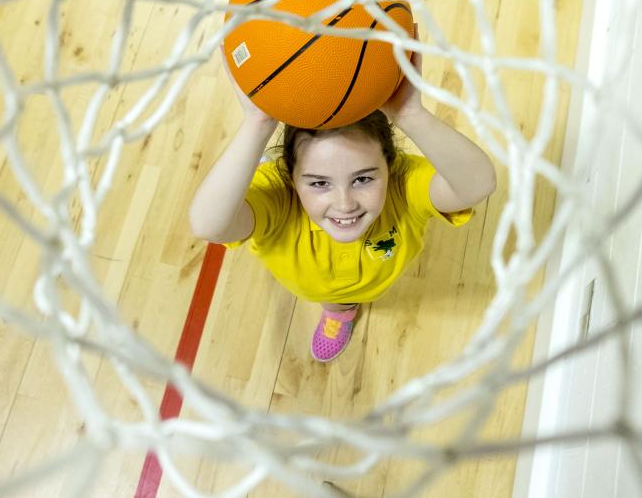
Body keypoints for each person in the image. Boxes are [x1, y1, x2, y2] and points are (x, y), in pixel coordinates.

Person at [188, 31, 497, 362]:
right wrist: (256, 125)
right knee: (333, 300)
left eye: (362, 178)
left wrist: (411, 115)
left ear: (390, 165)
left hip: (375, 281)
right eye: (319, 183)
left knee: (349, 297)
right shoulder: (278, 200)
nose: (345, 204)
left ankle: (343, 309)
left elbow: (477, 184)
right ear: (289, 178)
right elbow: (208, 225)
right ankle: (337, 313)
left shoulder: (403, 183)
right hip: (315, 285)